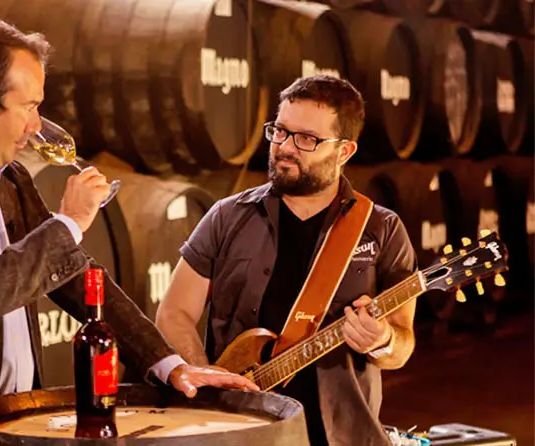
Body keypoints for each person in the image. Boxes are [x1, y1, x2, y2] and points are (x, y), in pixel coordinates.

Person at [0, 13, 255, 445]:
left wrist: (169, 364)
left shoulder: (9, 178)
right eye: (29, 106)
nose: (36, 125)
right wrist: (69, 222)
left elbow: (75, 275)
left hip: (8, 423)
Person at [155, 75, 418, 446]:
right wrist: (207, 378)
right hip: (240, 432)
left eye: (306, 138)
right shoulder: (227, 216)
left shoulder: (382, 229)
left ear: (344, 152)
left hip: (344, 437)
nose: (285, 147)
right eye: (280, 131)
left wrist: (382, 340)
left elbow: (402, 344)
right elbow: (174, 313)